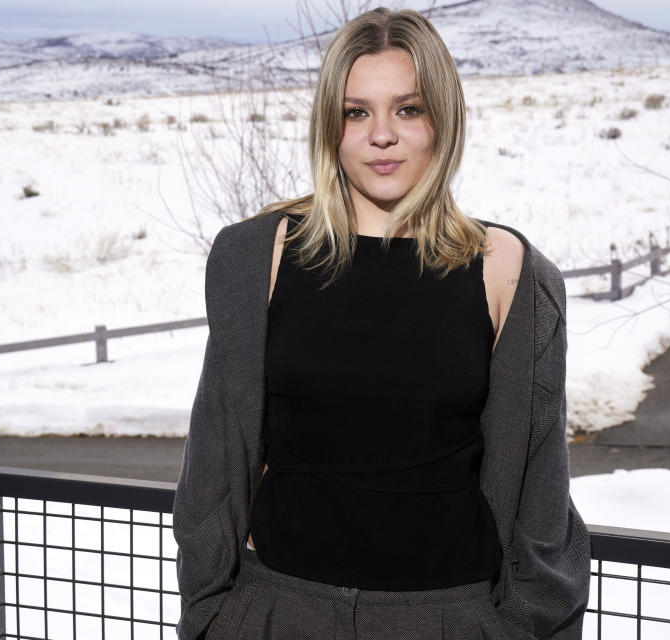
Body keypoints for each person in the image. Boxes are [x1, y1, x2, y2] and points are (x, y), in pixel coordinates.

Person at [173, 7, 590, 640]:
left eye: (409, 109)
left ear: (442, 121)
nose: (382, 135)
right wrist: (211, 616)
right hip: (277, 613)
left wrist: (516, 628)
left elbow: (540, 494)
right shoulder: (257, 256)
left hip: (449, 620)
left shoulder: (507, 270)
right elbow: (213, 462)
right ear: (330, 126)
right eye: (356, 111)